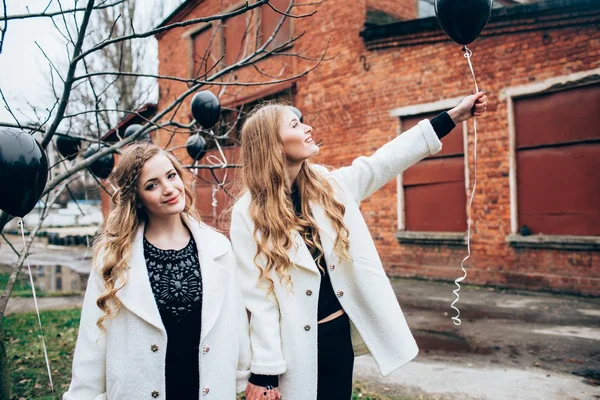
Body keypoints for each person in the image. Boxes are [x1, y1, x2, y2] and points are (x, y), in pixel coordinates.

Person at [230, 91, 488, 400]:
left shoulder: (329, 187)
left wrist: (453, 117)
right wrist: (265, 372)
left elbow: (383, 162)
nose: (307, 128)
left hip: (337, 336)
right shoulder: (248, 214)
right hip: (292, 349)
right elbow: (260, 300)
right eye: (295, 125)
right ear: (273, 144)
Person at [64, 142, 251, 400]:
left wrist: (246, 374)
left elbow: (235, 320)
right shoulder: (114, 258)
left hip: (207, 388)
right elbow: (92, 339)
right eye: (152, 185)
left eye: (171, 176)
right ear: (137, 198)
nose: (168, 189)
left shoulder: (218, 248)